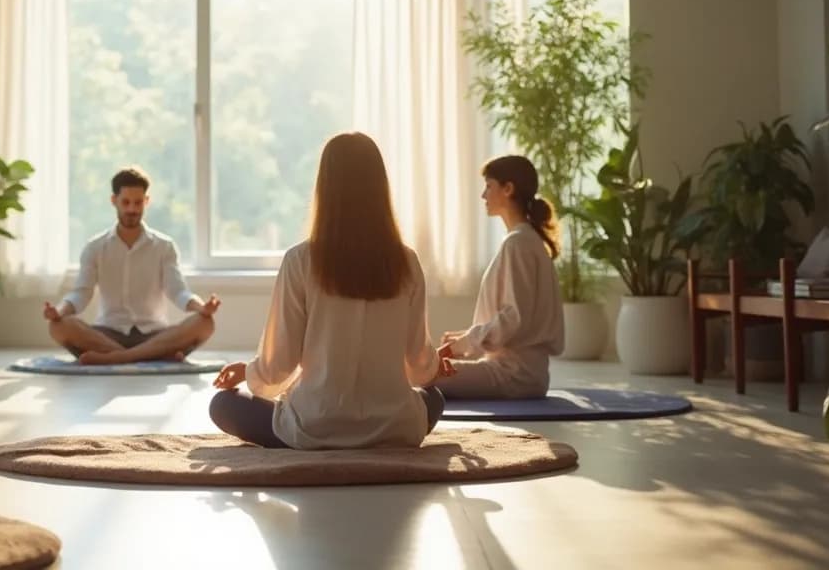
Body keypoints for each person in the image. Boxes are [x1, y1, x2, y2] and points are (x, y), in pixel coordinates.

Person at [209, 132, 453, 449]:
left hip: (315, 428)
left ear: (324, 186)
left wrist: (247, 371)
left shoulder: (300, 260)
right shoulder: (405, 261)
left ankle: (322, 439)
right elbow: (419, 364)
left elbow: (279, 364)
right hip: (394, 428)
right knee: (432, 398)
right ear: (380, 187)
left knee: (223, 406)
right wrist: (434, 368)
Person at [44, 166, 221, 365]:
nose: (132, 209)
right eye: (126, 202)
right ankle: (155, 357)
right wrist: (58, 312)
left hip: (154, 334)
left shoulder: (164, 246)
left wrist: (202, 308)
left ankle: (118, 358)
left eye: (138, 203)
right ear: (114, 201)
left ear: (147, 201)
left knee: (204, 323)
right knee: (59, 326)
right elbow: (81, 293)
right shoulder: (95, 247)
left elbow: (178, 292)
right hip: (107, 334)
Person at [434, 155, 565, 399]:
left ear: (508, 189)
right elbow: (519, 318)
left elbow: (514, 318)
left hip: (514, 375)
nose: (483, 195)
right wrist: (466, 338)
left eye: (488, 186)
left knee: (419, 373)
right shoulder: (523, 241)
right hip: (521, 372)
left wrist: (462, 344)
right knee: (420, 370)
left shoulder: (519, 244)